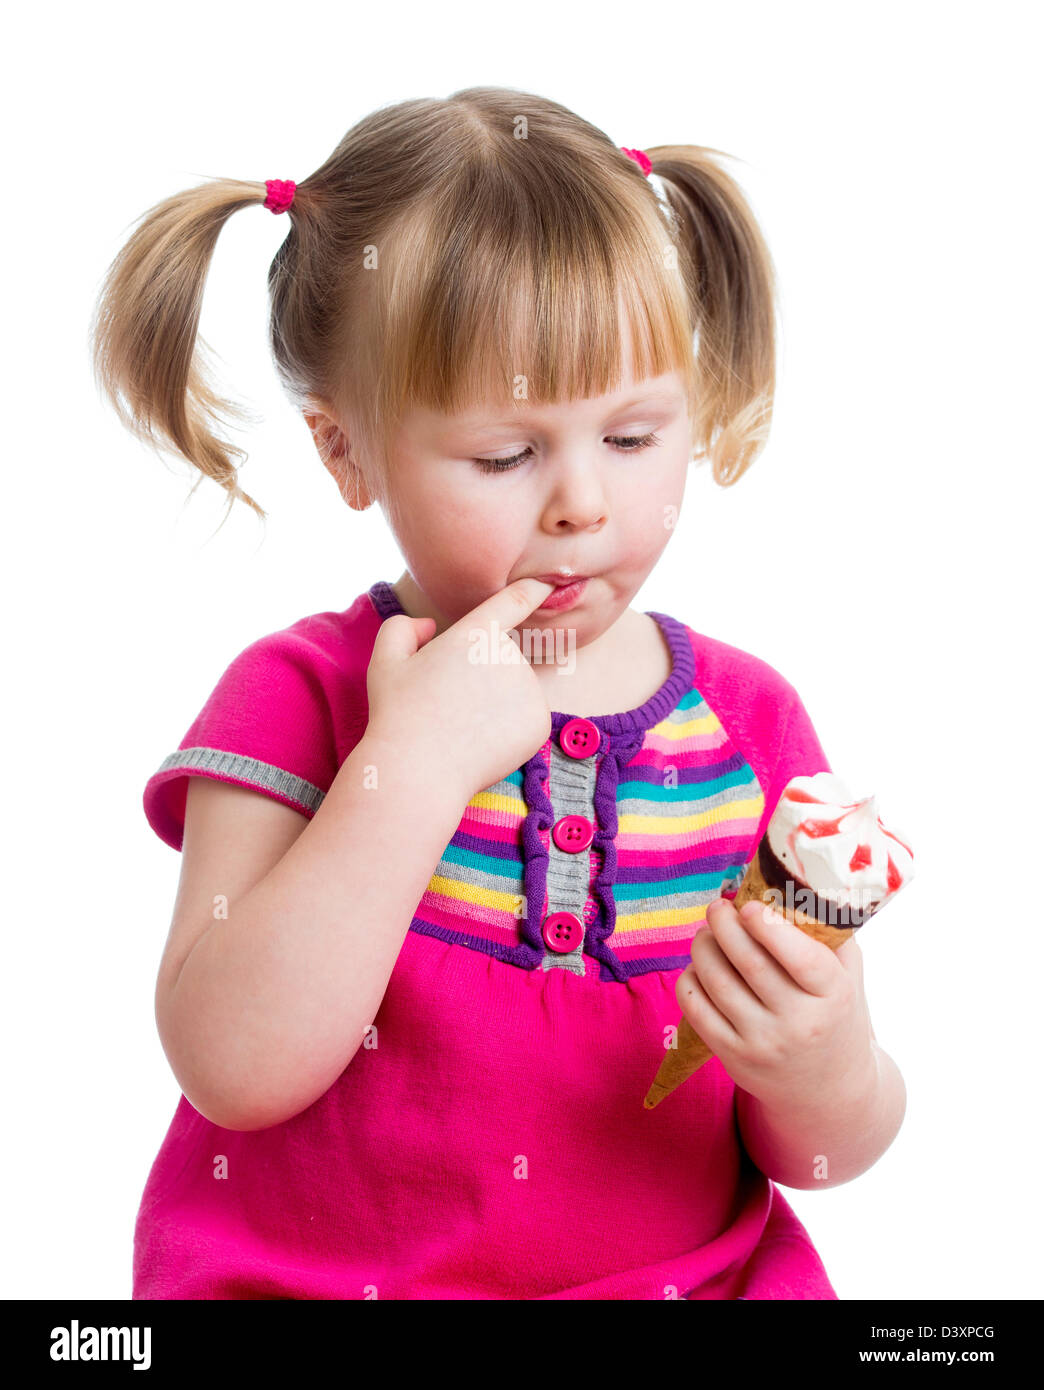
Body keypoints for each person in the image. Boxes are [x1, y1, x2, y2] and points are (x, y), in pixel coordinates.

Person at [90, 86, 906, 1300]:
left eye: (633, 436)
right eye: (507, 455)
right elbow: (231, 1064)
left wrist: (819, 1055)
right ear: (346, 450)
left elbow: (828, 1152)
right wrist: (409, 765)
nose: (582, 503)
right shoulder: (298, 699)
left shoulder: (747, 728)